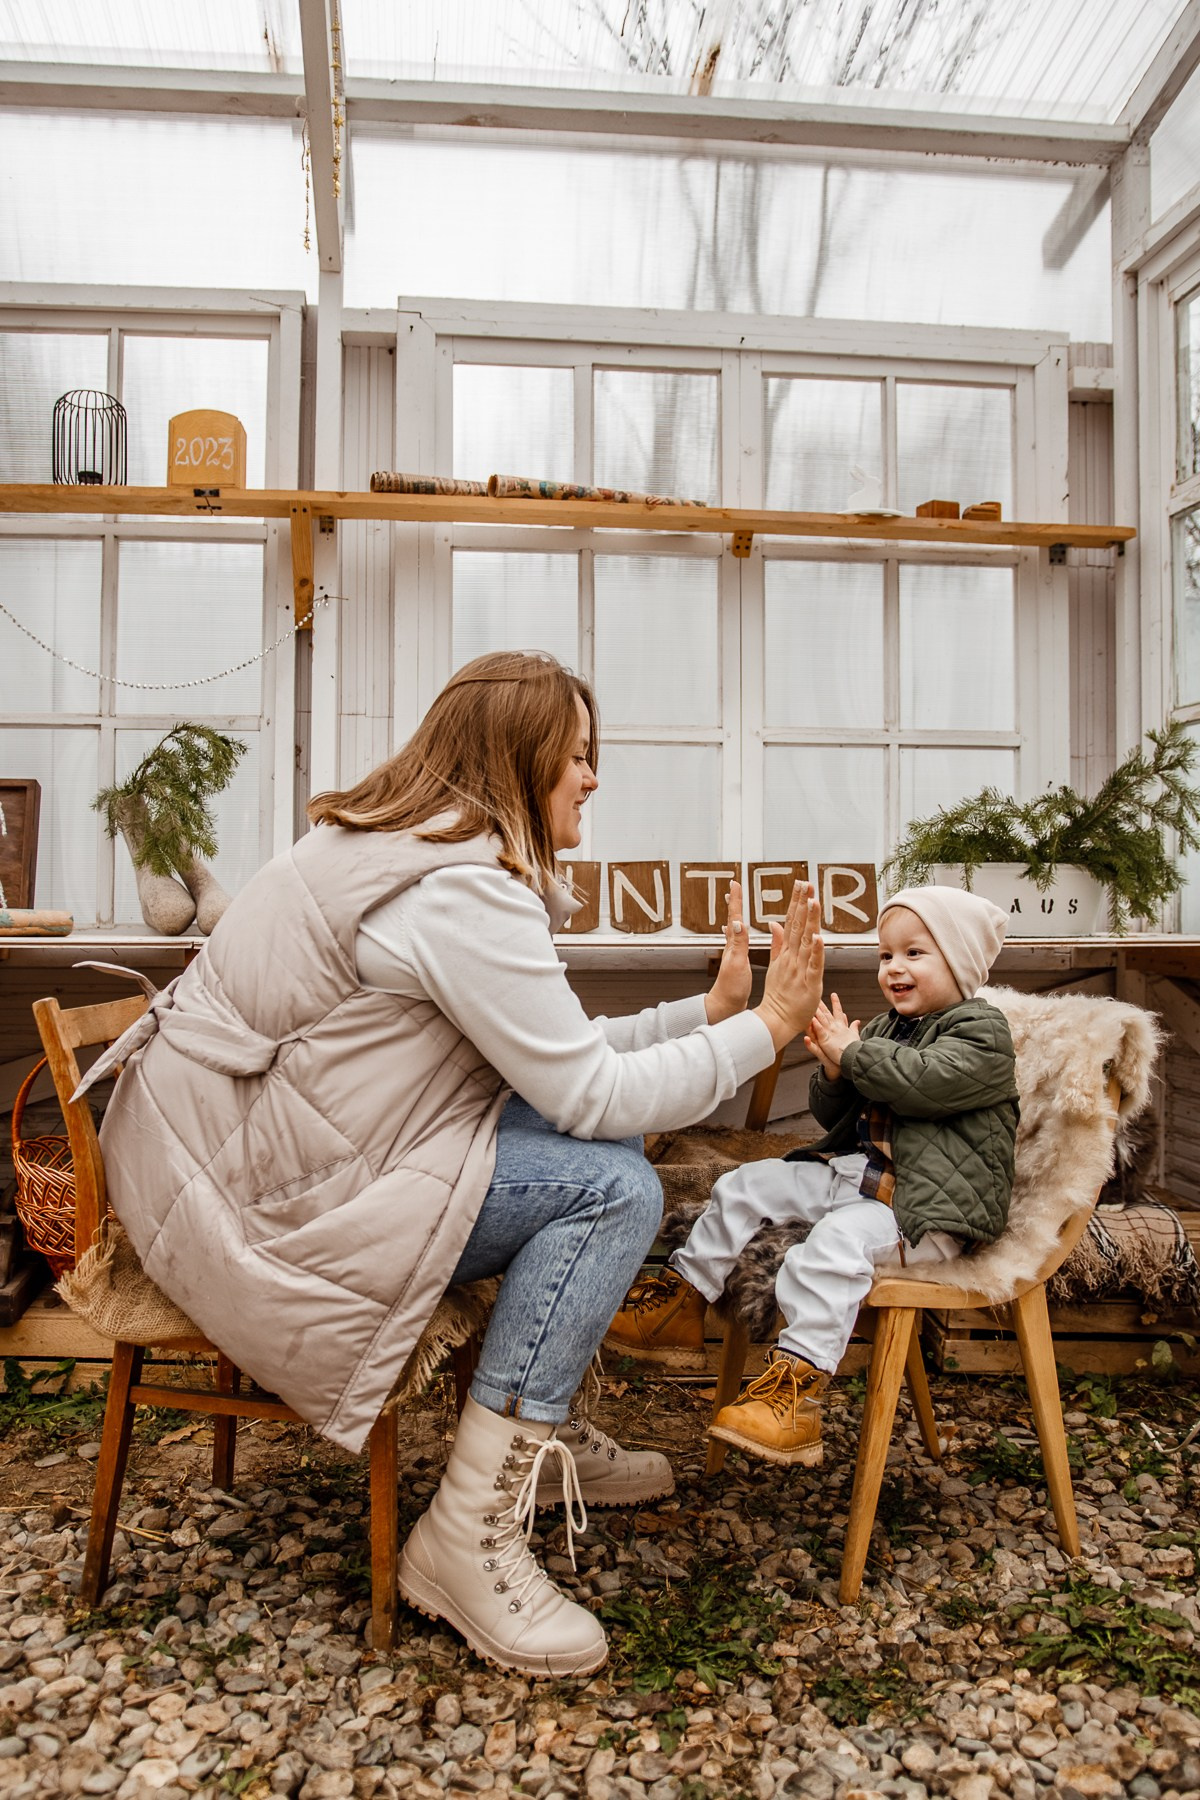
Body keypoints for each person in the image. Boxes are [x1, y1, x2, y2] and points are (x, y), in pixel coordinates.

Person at [90, 650, 825, 1680]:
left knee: (597, 1146)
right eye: (577, 755)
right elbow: (588, 1094)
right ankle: (464, 1540)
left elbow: (552, 1055)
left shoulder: (415, 855)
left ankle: (542, 1435)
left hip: (248, 1161)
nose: (593, 777)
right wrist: (770, 1030)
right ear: (520, 760)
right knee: (613, 1186)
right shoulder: (458, 894)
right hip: (260, 1205)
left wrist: (702, 1018)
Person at [605, 885, 1019, 1468]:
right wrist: (833, 1070)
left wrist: (853, 1055)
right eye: (885, 955)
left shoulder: (983, 1033)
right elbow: (838, 1115)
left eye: (914, 954)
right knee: (748, 1184)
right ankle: (681, 1305)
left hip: (920, 1213)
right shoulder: (883, 1031)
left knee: (829, 1247)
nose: (893, 968)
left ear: (960, 961)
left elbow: (925, 1082)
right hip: (859, 1180)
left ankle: (794, 1396)